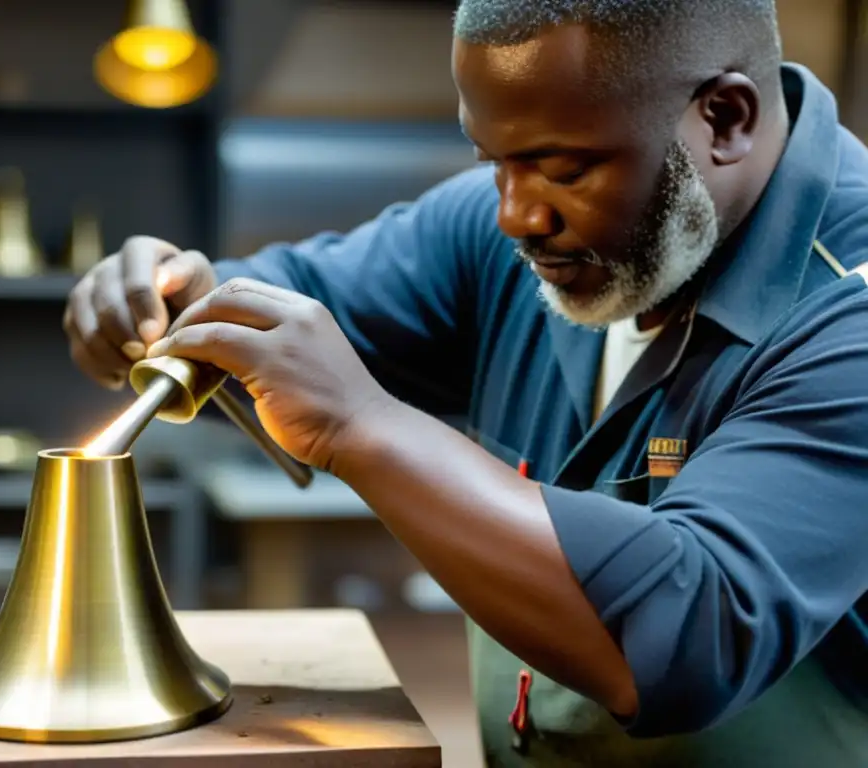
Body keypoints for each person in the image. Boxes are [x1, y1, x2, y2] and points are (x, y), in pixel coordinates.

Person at [64, 0, 868, 764]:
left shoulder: (850, 308)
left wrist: (360, 426)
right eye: (496, 164)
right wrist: (172, 302)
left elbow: (695, 632)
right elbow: (284, 300)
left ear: (724, 119)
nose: (518, 216)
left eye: (564, 168)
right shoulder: (511, 237)